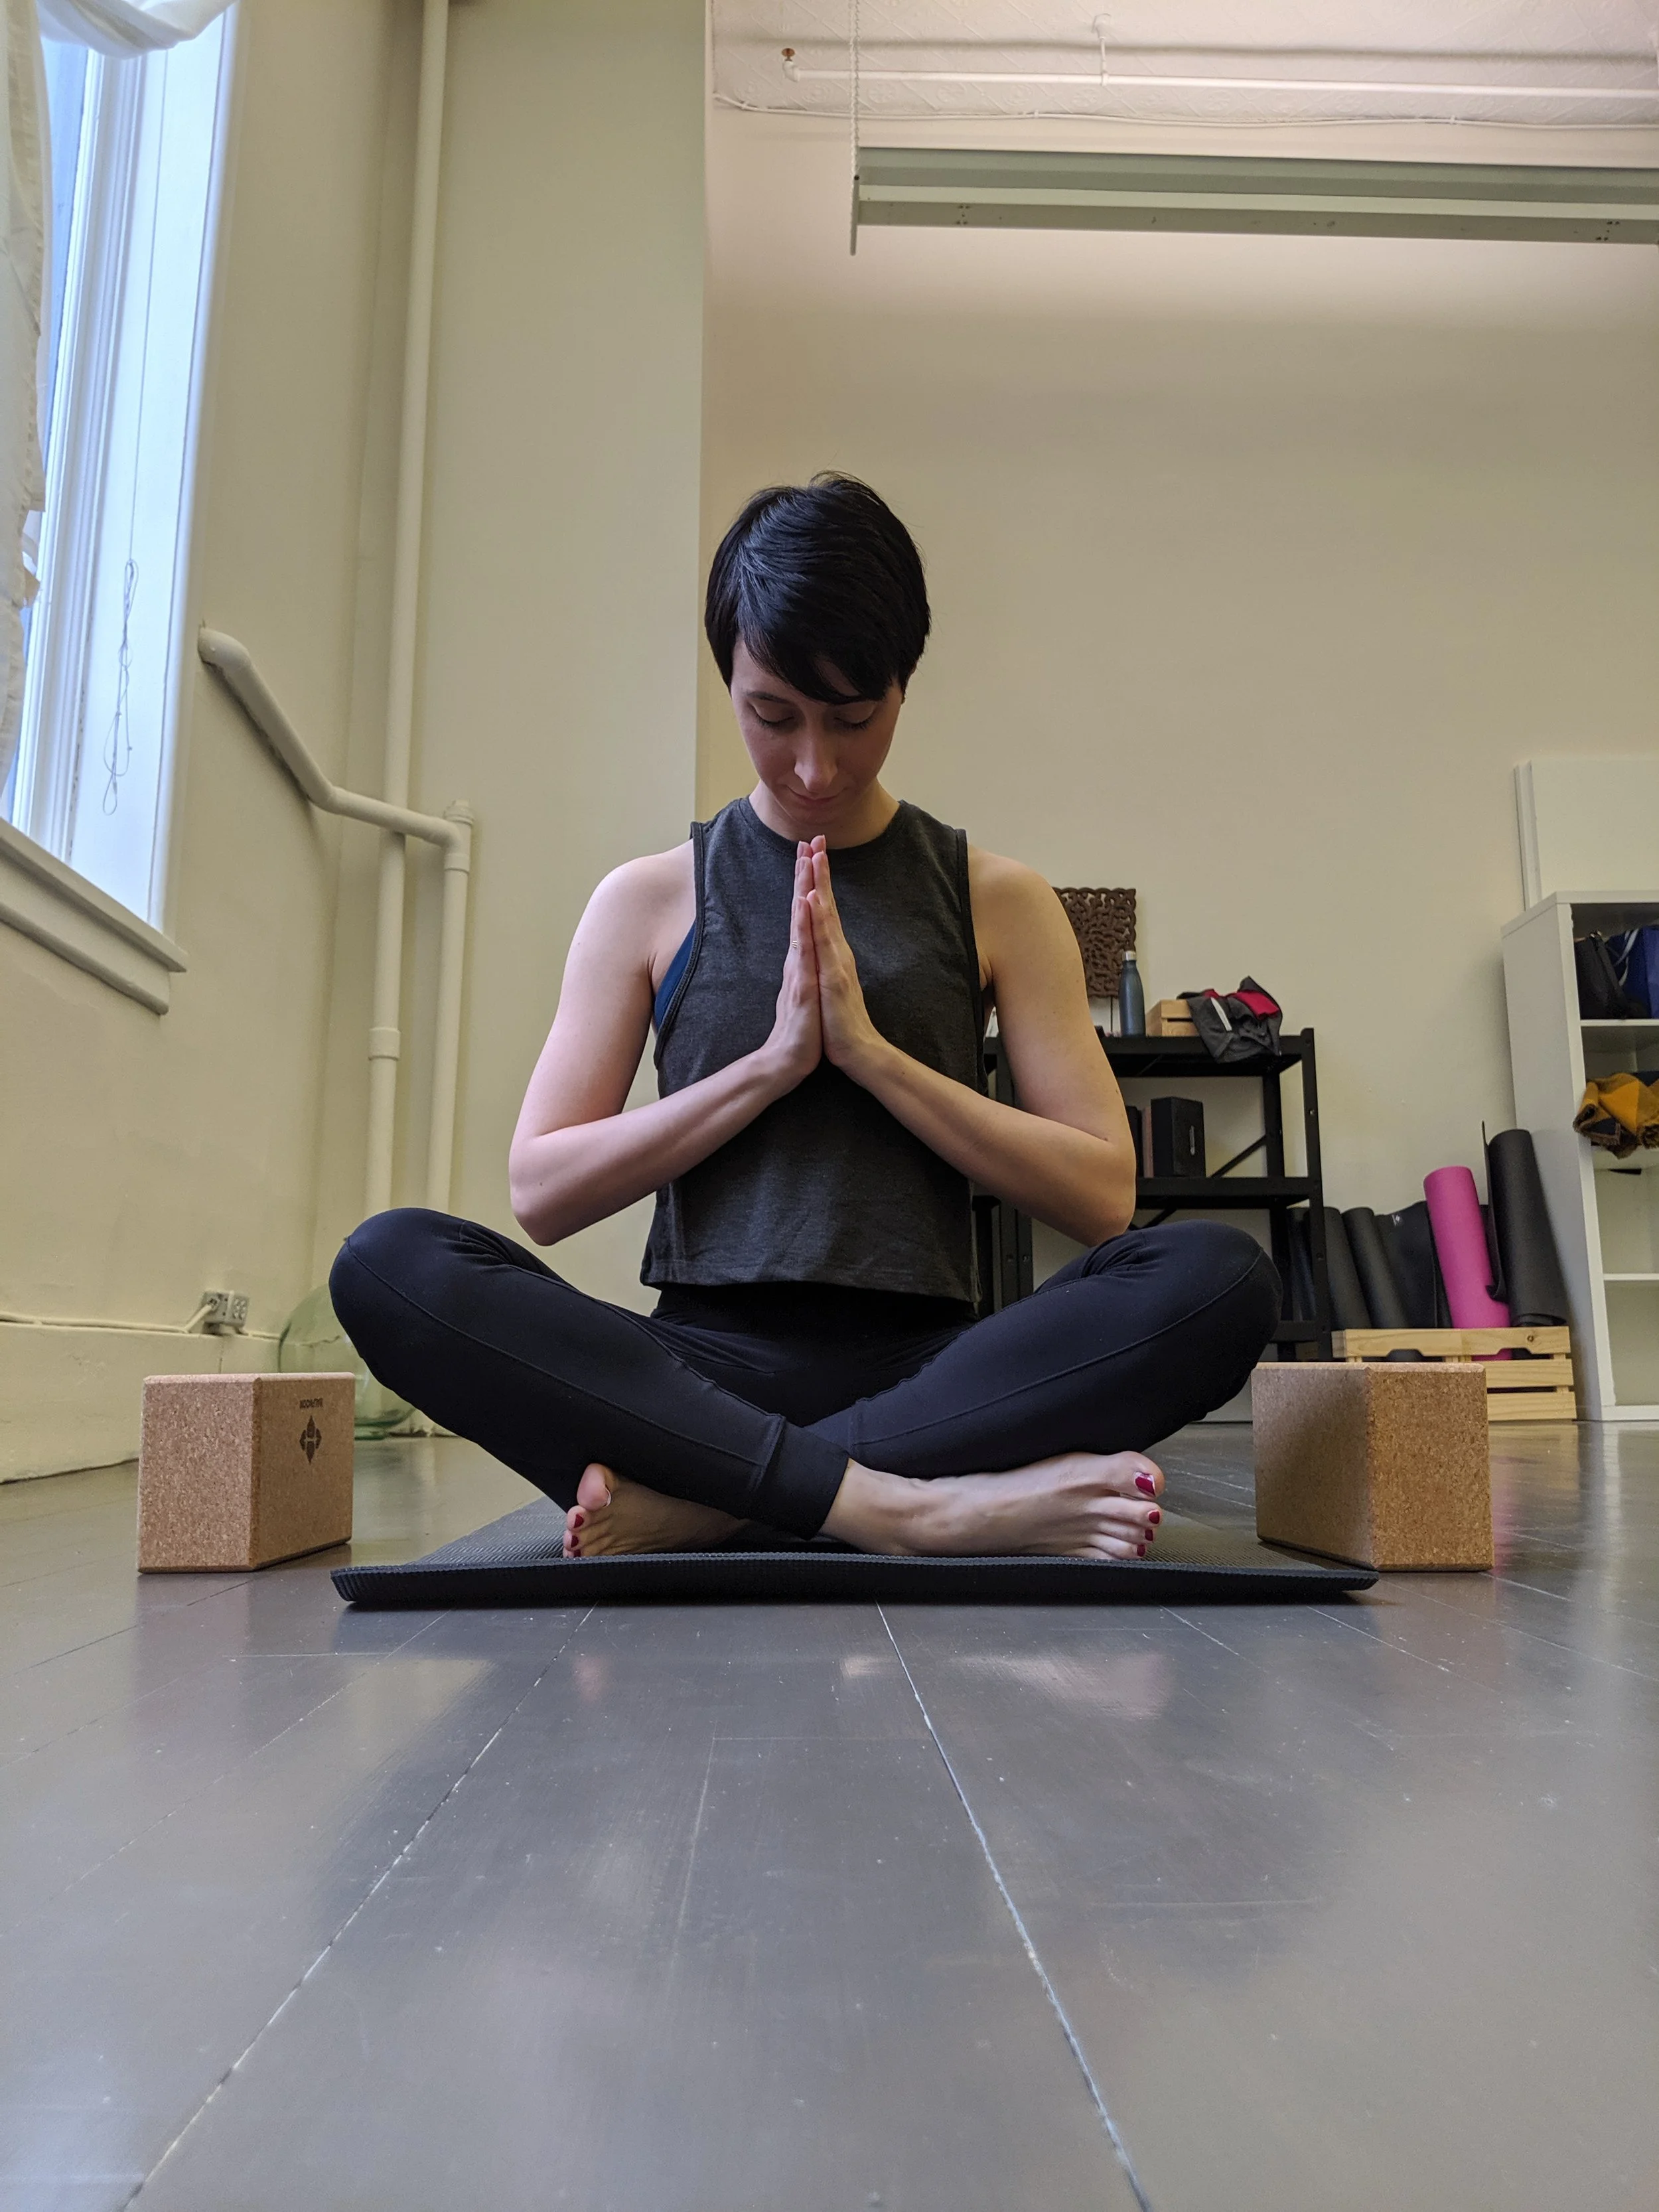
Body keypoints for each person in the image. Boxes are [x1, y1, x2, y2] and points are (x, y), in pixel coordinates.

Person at [331, 475, 1280, 1560]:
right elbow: (543, 1192)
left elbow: (1103, 1194)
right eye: (772, 716)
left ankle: (716, 1502)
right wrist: (771, 1066)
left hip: (934, 1373)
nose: (814, 765)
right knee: (387, 1261)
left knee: (1221, 1277)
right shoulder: (647, 898)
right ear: (728, 676)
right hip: (696, 1375)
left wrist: (875, 1060)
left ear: (902, 689)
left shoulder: (997, 898)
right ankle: (911, 1508)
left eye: (853, 719)